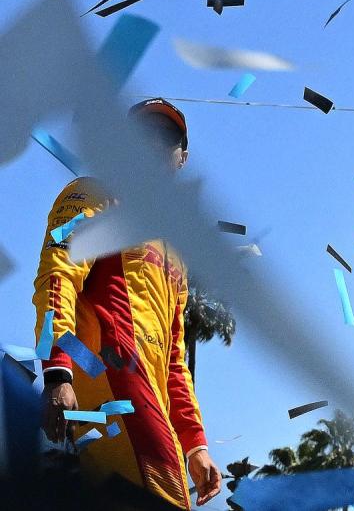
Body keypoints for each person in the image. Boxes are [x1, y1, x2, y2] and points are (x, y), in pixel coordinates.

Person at [33, 98, 222, 509]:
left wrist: (195, 445)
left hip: (157, 417)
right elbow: (57, 277)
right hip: (108, 397)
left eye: (167, 138)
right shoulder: (92, 194)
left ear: (182, 159)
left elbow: (174, 359)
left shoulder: (176, 252)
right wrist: (57, 373)